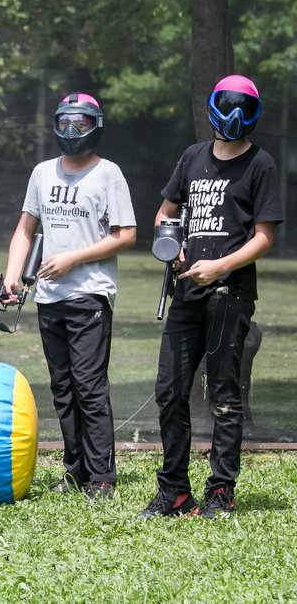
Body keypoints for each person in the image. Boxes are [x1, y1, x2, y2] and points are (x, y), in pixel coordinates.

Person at [138, 75, 283, 520]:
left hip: (230, 295)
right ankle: (175, 492)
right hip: (187, 293)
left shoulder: (261, 164)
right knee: (169, 390)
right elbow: (166, 212)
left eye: (244, 106)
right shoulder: (192, 157)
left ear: (254, 112)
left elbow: (263, 238)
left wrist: (221, 267)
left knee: (223, 395)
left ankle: (221, 490)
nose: (235, 115)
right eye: (228, 104)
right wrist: (173, 242)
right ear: (214, 107)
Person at [4, 93, 136, 500]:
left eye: (80, 124)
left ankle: (101, 478)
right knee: (63, 387)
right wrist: (13, 273)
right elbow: (26, 228)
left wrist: (72, 260)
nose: (71, 131)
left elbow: (126, 234)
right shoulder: (42, 173)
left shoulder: (108, 174)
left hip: (89, 295)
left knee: (89, 386)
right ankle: (75, 471)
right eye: (64, 123)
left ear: (95, 126)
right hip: (49, 297)